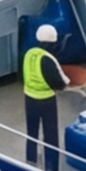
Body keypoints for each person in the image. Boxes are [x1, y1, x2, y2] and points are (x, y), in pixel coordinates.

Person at [20, 21, 66, 161]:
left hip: (29, 99)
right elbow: (59, 83)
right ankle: (51, 168)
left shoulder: (28, 54)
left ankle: (31, 160)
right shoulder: (48, 59)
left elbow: (22, 75)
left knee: (31, 133)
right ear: (53, 42)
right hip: (46, 102)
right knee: (50, 136)